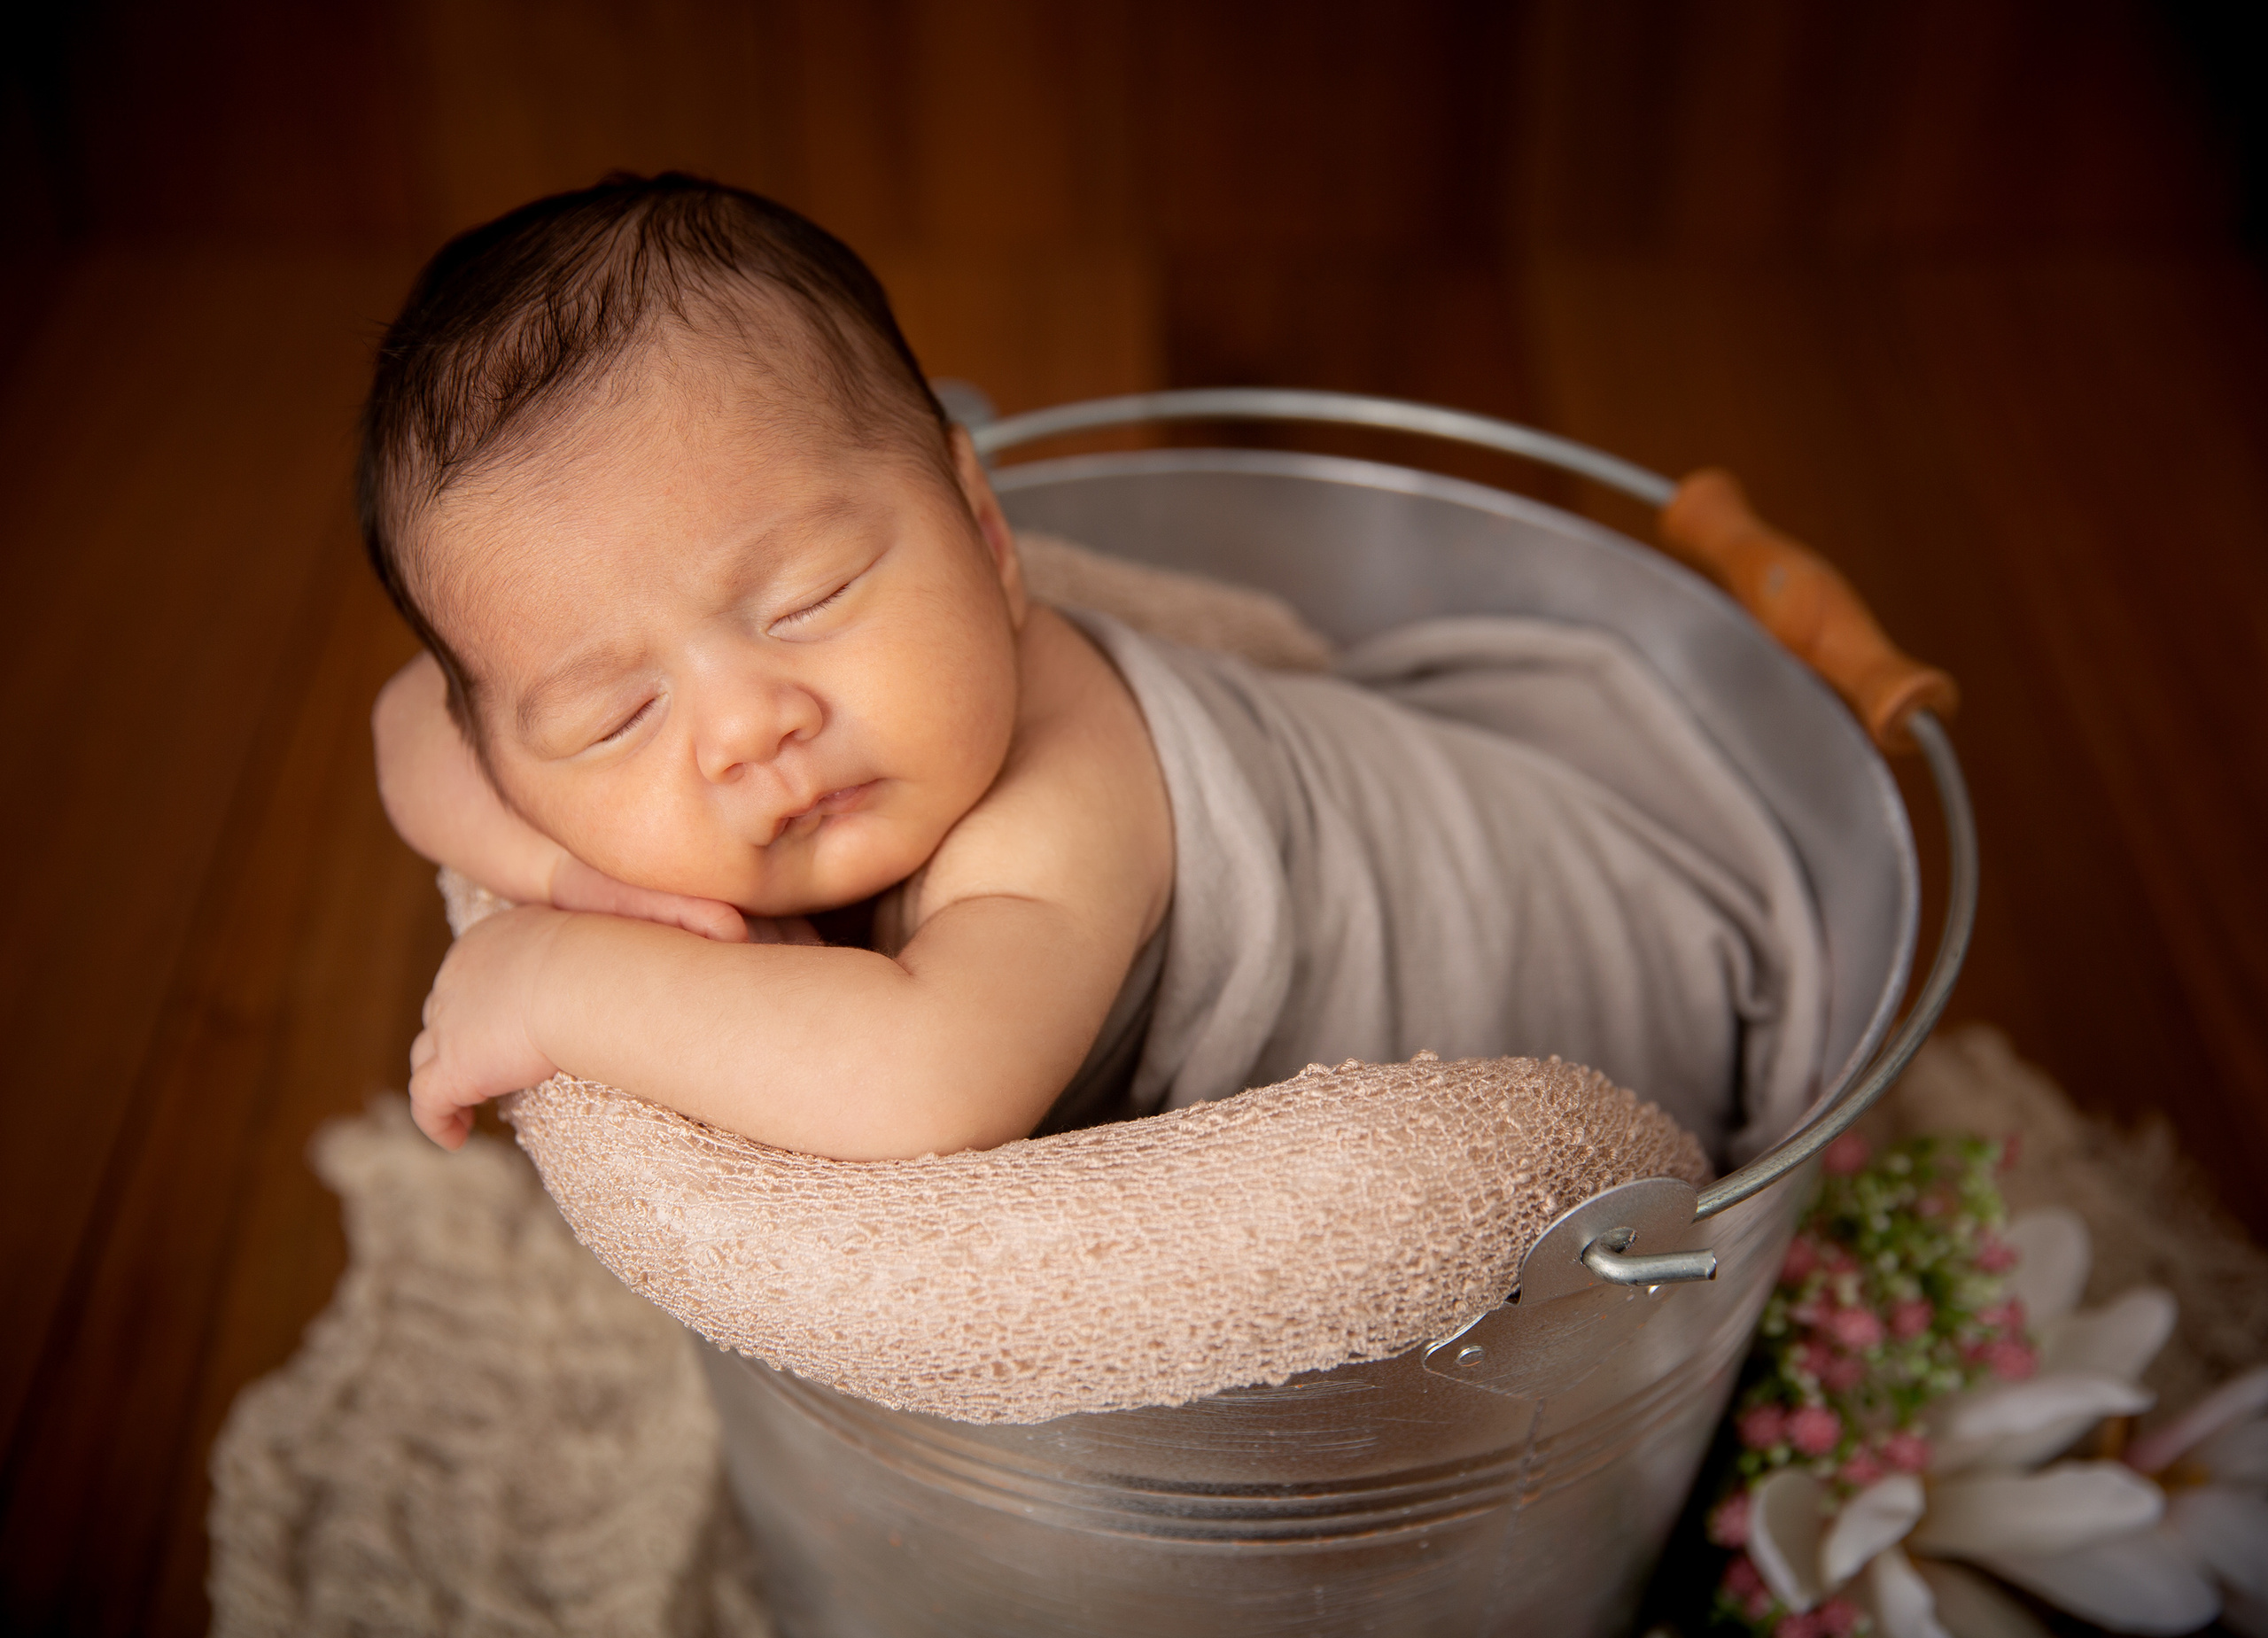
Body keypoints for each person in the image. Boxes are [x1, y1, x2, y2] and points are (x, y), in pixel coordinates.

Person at [370, 173, 1823, 1166]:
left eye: (810, 598)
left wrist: (556, 978)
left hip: (1615, 999)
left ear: (988, 530)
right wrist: (590, 880)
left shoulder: (1052, 794)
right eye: (616, 713)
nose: (753, 723)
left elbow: (928, 1075)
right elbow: (405, 727)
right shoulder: (680, 751)